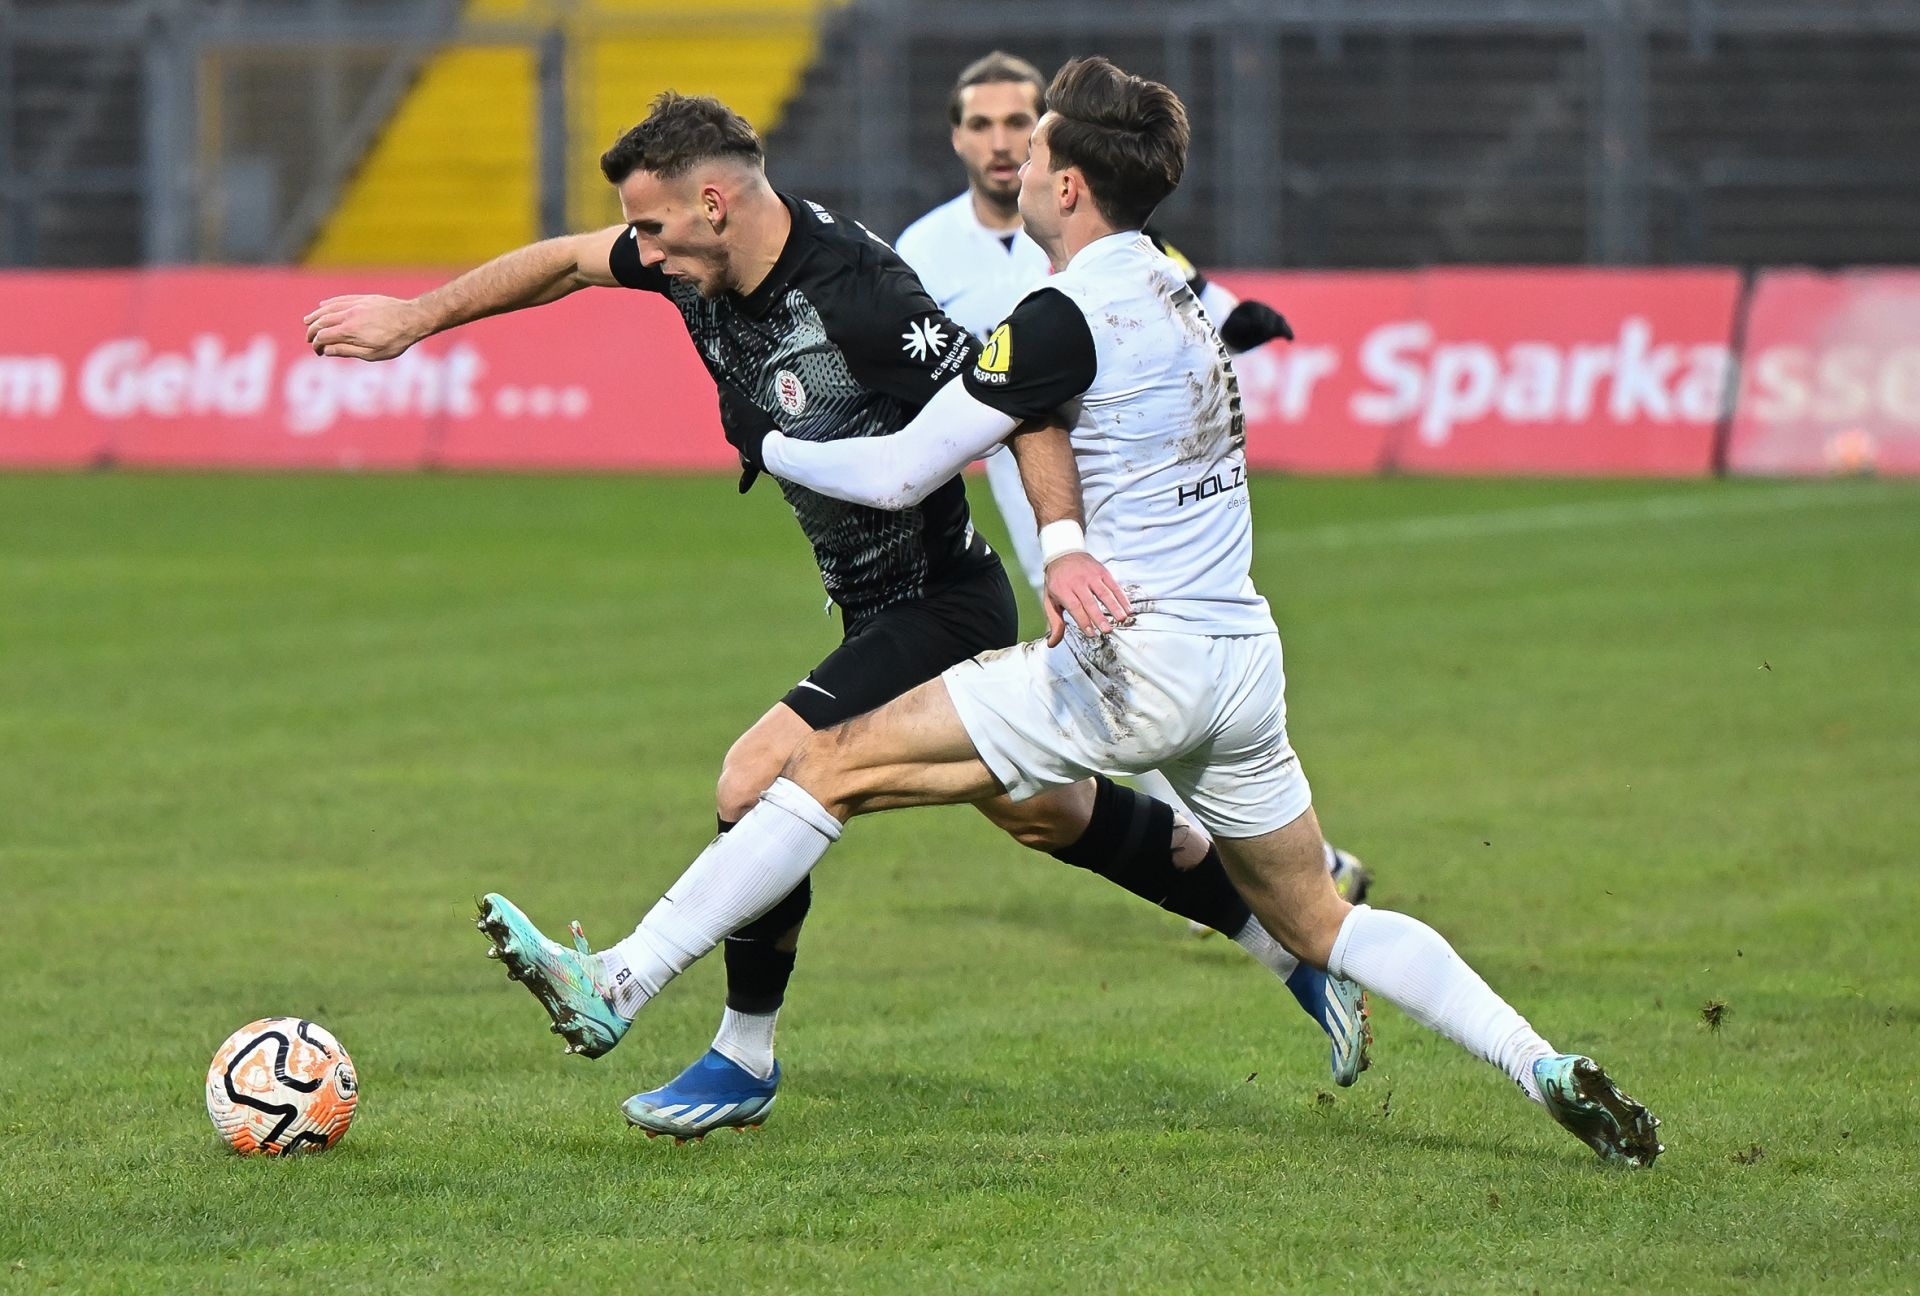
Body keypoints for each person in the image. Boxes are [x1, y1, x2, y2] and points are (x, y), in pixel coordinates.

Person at [473, 56, 1662, 1166]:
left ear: (1071, 184)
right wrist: (1071, 539)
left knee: (818, 771)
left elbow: (895, 473)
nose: (1015, 168)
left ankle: (620, 983)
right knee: (1317, 917)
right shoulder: (1174, 291)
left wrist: (771, 438)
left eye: (1034, 152)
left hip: (1125, 663)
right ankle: (1537, 1059)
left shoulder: (1055, 319)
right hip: (1241, 661)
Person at [304, 90, 1369, 1140]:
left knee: (755, 773)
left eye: (654, 227)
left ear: (715, 203)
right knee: (1050, 813)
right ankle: (1289, 939)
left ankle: (739, 1052)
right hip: (870, 604)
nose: (640, 250)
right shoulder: (687, 257)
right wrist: (415, 320)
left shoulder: (862, 296)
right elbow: (565, 261)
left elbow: (1024, 400)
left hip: (939, 601)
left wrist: (1060, 544)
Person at [896, 51, 1368, 933]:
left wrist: (1233, 309)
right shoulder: (922, 251)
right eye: (983, 125)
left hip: (1125, 494)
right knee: (1126, 689)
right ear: (957, 138)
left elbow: (1165, 272)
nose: (1004, 143)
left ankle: (1260, 877)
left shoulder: (1082, 231)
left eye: (1018, 123)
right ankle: (1273, 875)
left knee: (1130, 683)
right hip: (1036, 488)